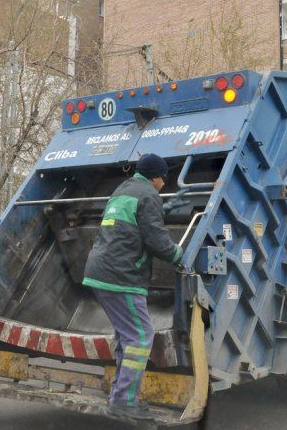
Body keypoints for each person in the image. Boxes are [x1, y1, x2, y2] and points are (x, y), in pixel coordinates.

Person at [82, 153, 183, 421]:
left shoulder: (122, 190)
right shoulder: (149, 195)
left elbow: (131, 226)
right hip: (121, 276)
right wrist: (179, 255)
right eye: (163, 179)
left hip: (101, 271)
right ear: (155, 177)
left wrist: (163, 210)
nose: (164, 184)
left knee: (126, 337)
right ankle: (124, 402)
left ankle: (122, 396)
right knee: (140, 337)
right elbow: (156, 240)